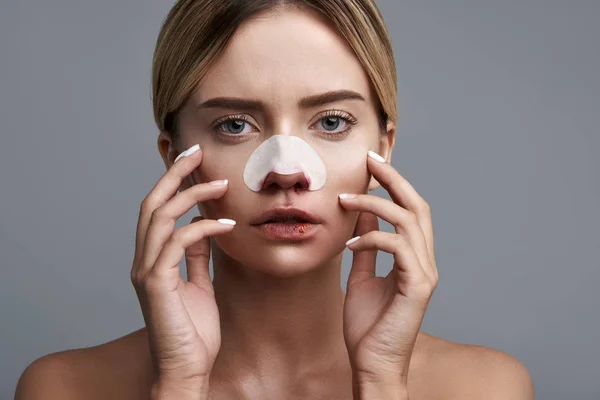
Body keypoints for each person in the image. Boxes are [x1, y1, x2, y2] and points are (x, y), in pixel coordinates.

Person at [15, 1, 534, 399]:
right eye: (234, 125)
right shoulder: (63, 388)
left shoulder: (485, 388)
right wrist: (177, 384)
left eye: (332, 122)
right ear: (175, 156)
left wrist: (380, 383)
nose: (287, 170)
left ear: (382, 149)